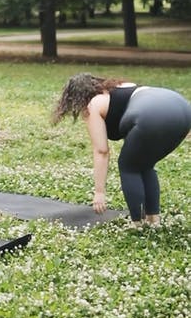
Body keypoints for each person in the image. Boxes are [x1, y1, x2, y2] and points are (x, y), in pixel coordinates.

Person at [53, 73, 190, 225]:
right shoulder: (121, 87)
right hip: (182, 107)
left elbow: (101, 151)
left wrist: (99, 192)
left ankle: (138, 224)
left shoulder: (94, 104)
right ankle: (153, 220)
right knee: (145, 164)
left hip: (151, 114)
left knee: (128, 166)